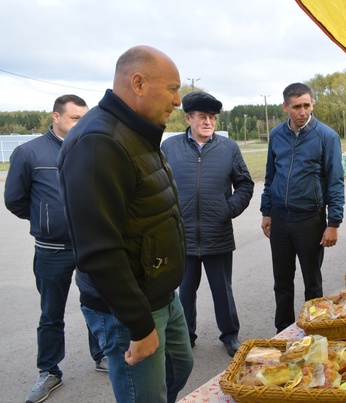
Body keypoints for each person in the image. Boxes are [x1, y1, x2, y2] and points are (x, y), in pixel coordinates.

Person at [57, 45, 193, 403]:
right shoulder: (99, 143)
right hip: (127, 309)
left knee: (180, 367)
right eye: (172, 89)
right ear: (138, 83)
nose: (178, 101)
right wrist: (139, 324)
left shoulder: (138, 132)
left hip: (160, 293)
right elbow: (99, 251)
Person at [4, 94, 108, 403]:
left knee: (97, 304)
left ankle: (102, 354)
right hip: (51, 249)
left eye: (84, 118)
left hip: (89, 244)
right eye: (75, 118)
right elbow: (15, 200)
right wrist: (45, 218)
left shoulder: (91, 148)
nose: (81, 124)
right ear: (56, 117)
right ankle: (49, 370)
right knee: (51, 313)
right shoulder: (29, 152)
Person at [161, 91, 254, 357]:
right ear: (188, 118)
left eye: (212, 117)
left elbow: (245, 184)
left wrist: (228, 209)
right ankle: (185, 337)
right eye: (202, 116)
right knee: (185, 292)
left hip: (218, 233)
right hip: (183, 236)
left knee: (222, 291)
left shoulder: (228, 148)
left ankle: (230, 335)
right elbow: (158, 186)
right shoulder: (169, 148)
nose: (208, 122)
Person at [260, 82, 345, 333]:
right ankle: (283, 331)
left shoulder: (326, 136)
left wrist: (334, 223)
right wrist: (266, 211)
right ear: (285, 107)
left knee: (312, 281)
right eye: (296, 106)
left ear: (312, 104)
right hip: (280, 218)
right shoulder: (277, 135)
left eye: (307, 105)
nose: (303, 111)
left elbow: (335, 181)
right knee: (282, 281)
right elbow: (270, 176)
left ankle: (314, 330)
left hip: (310, 219)